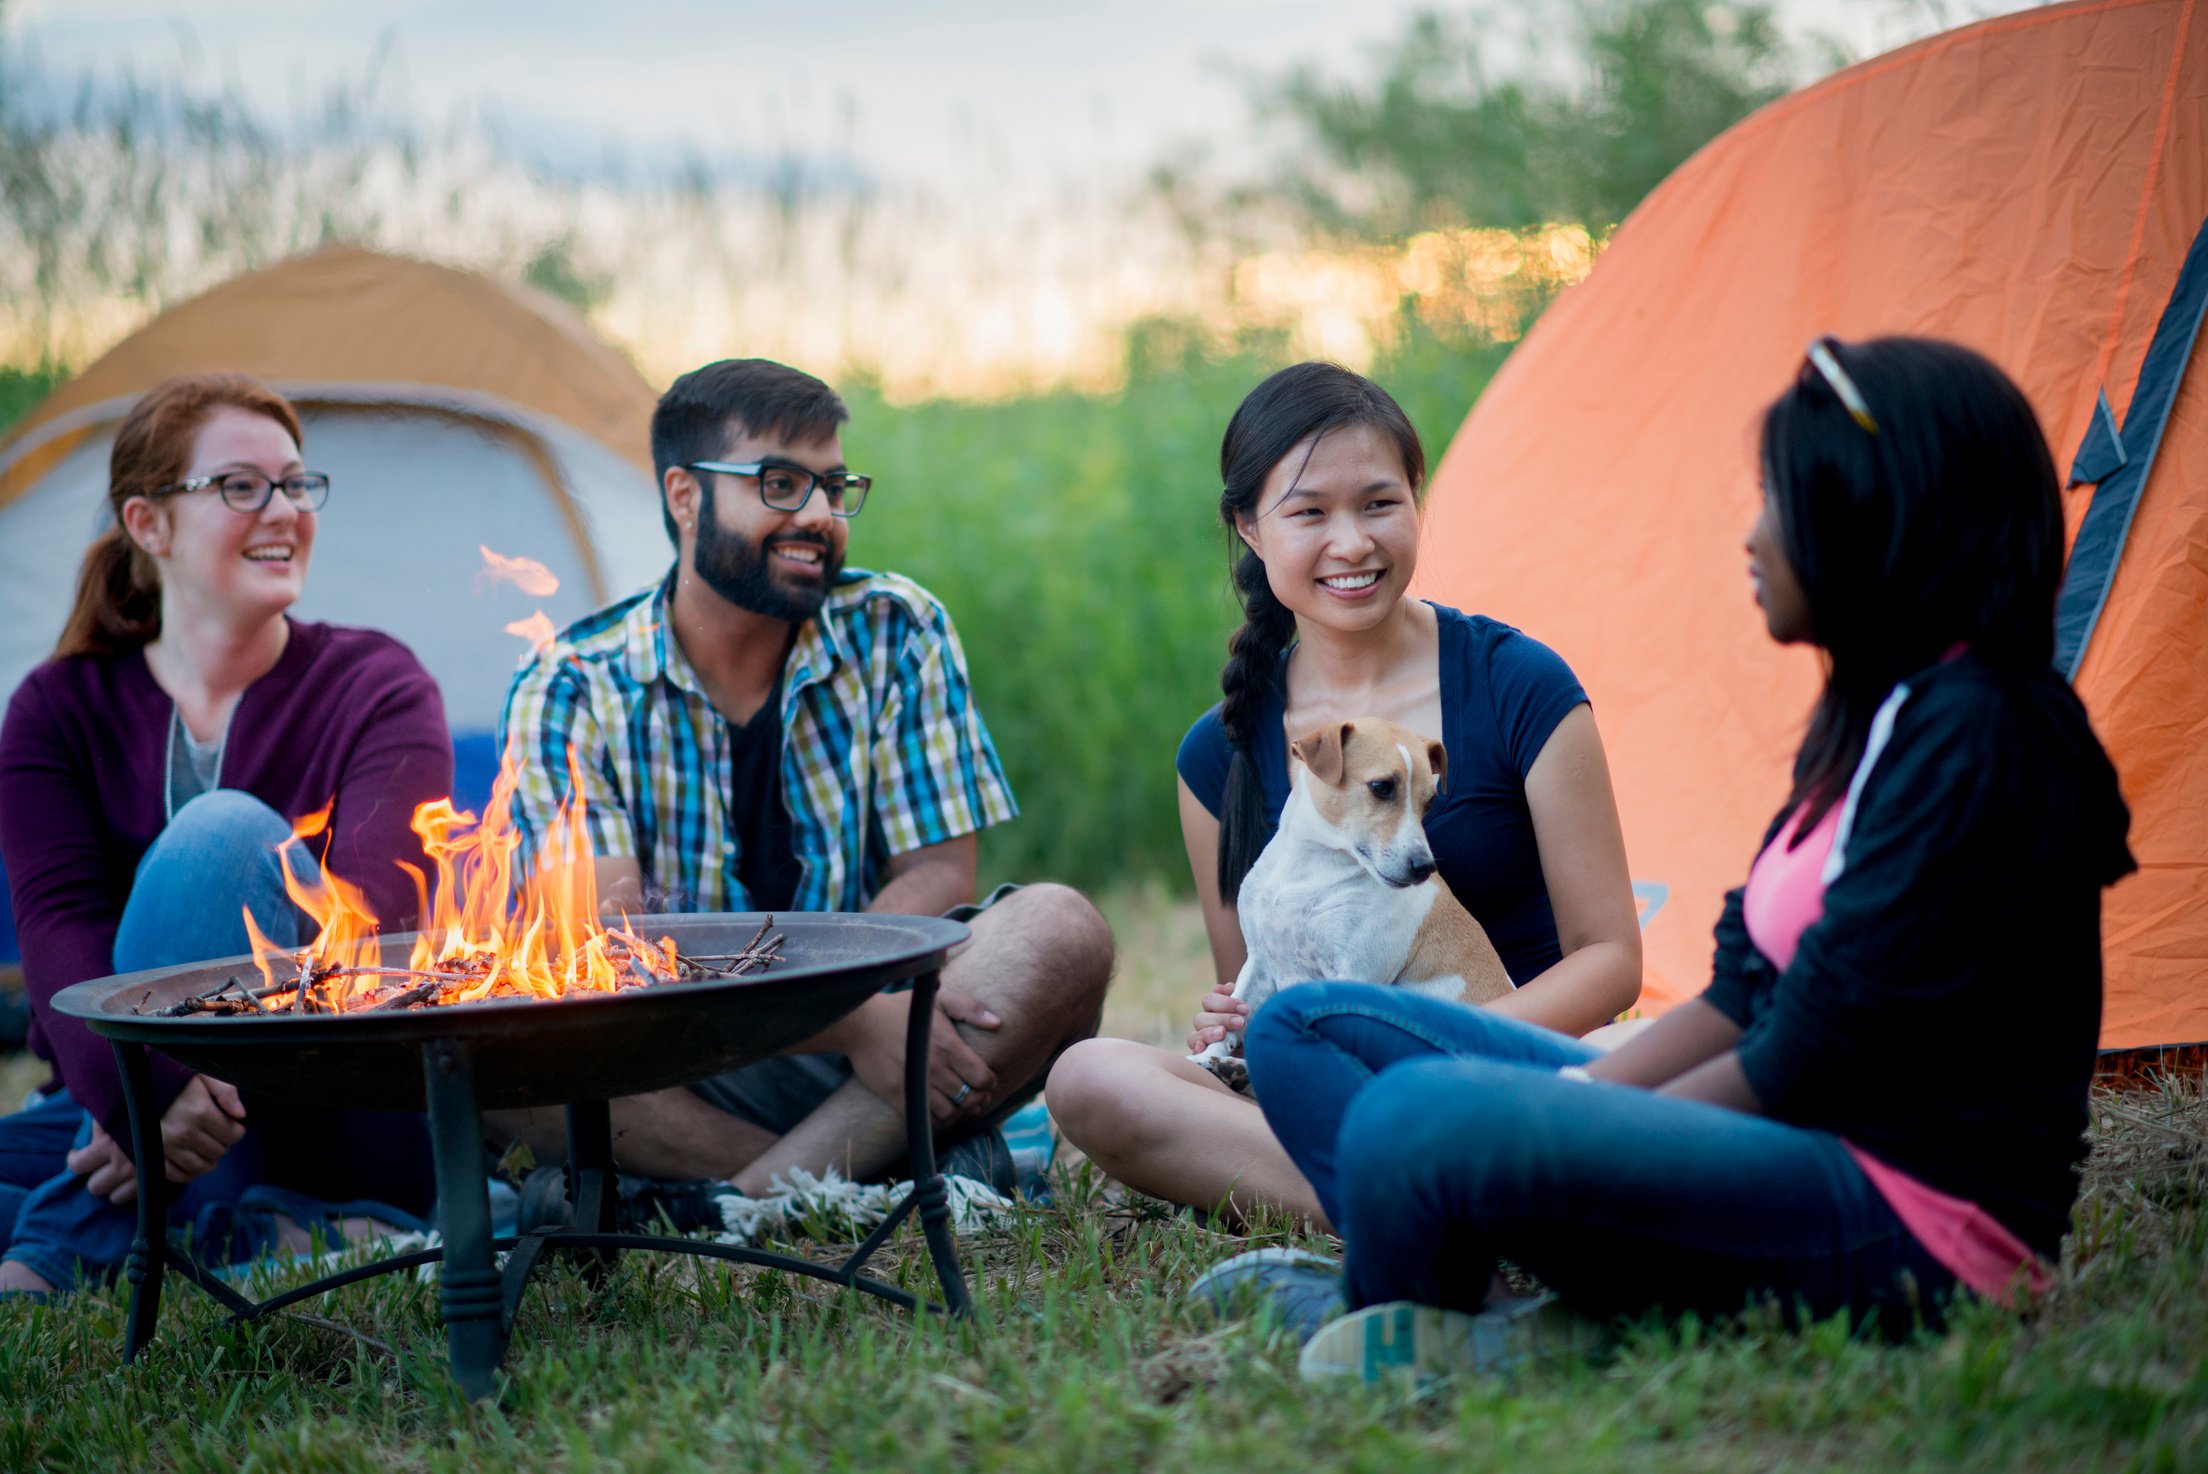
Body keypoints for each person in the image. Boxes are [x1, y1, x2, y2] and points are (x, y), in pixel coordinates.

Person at [1215, 336, 2135, 1383]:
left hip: (1906, 1220)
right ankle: (1472, 1296)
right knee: (1302, 1028)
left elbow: (1808, 1056)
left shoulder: (1981, 739)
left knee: (1420, 1113)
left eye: (1778, 500)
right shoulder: (1876, 711)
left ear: (1876, 513)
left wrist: (1560, 1122)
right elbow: (1745, 990)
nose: (1751, 536)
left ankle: (1395, 1301)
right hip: (1775, 1145)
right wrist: (1571, 1103)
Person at [491, 358, 1113, 1206]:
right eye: (780, 484)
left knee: (1061, 930)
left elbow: (936, 875)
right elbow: (611, 947)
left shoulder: (897, 628)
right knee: (490, 1052)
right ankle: (869, 1177)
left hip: (887, 1031)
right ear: (684, 496)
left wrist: (860, 1012)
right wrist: (845, 1019)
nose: (819, 516)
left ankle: (732, 1204)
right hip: (681, 1052)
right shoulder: (569, 686)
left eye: (833, 485)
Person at [1047, 361, 1642, 1225]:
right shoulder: (1220, 756)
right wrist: (1233, 1028)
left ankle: (1390, 1181)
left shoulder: (1518, 685)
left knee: (1639, 1051)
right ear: (1249, 528)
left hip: (1514, 1059)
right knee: (1095, 1077)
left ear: (1417, 499)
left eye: (1377, 503)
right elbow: (1268, 987)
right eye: (1308, 513)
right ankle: (1417, 1191)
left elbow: (1611, 959)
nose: (1353, 543)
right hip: (1336, 1085)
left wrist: (1456, 1053)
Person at [0, 374, 452, 1299]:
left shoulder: (380, 684)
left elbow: (372, 929)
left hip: (329, 1098)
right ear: (148, 523)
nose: (283, 509)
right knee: (59, 1142)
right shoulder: (55, 708)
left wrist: (155, 1098)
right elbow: (57, 937)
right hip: (111, 1097)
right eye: (241, 486)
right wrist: (142, 1099)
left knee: (224, 837)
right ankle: (271, 1235)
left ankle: (52, 1254)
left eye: (295, 483)